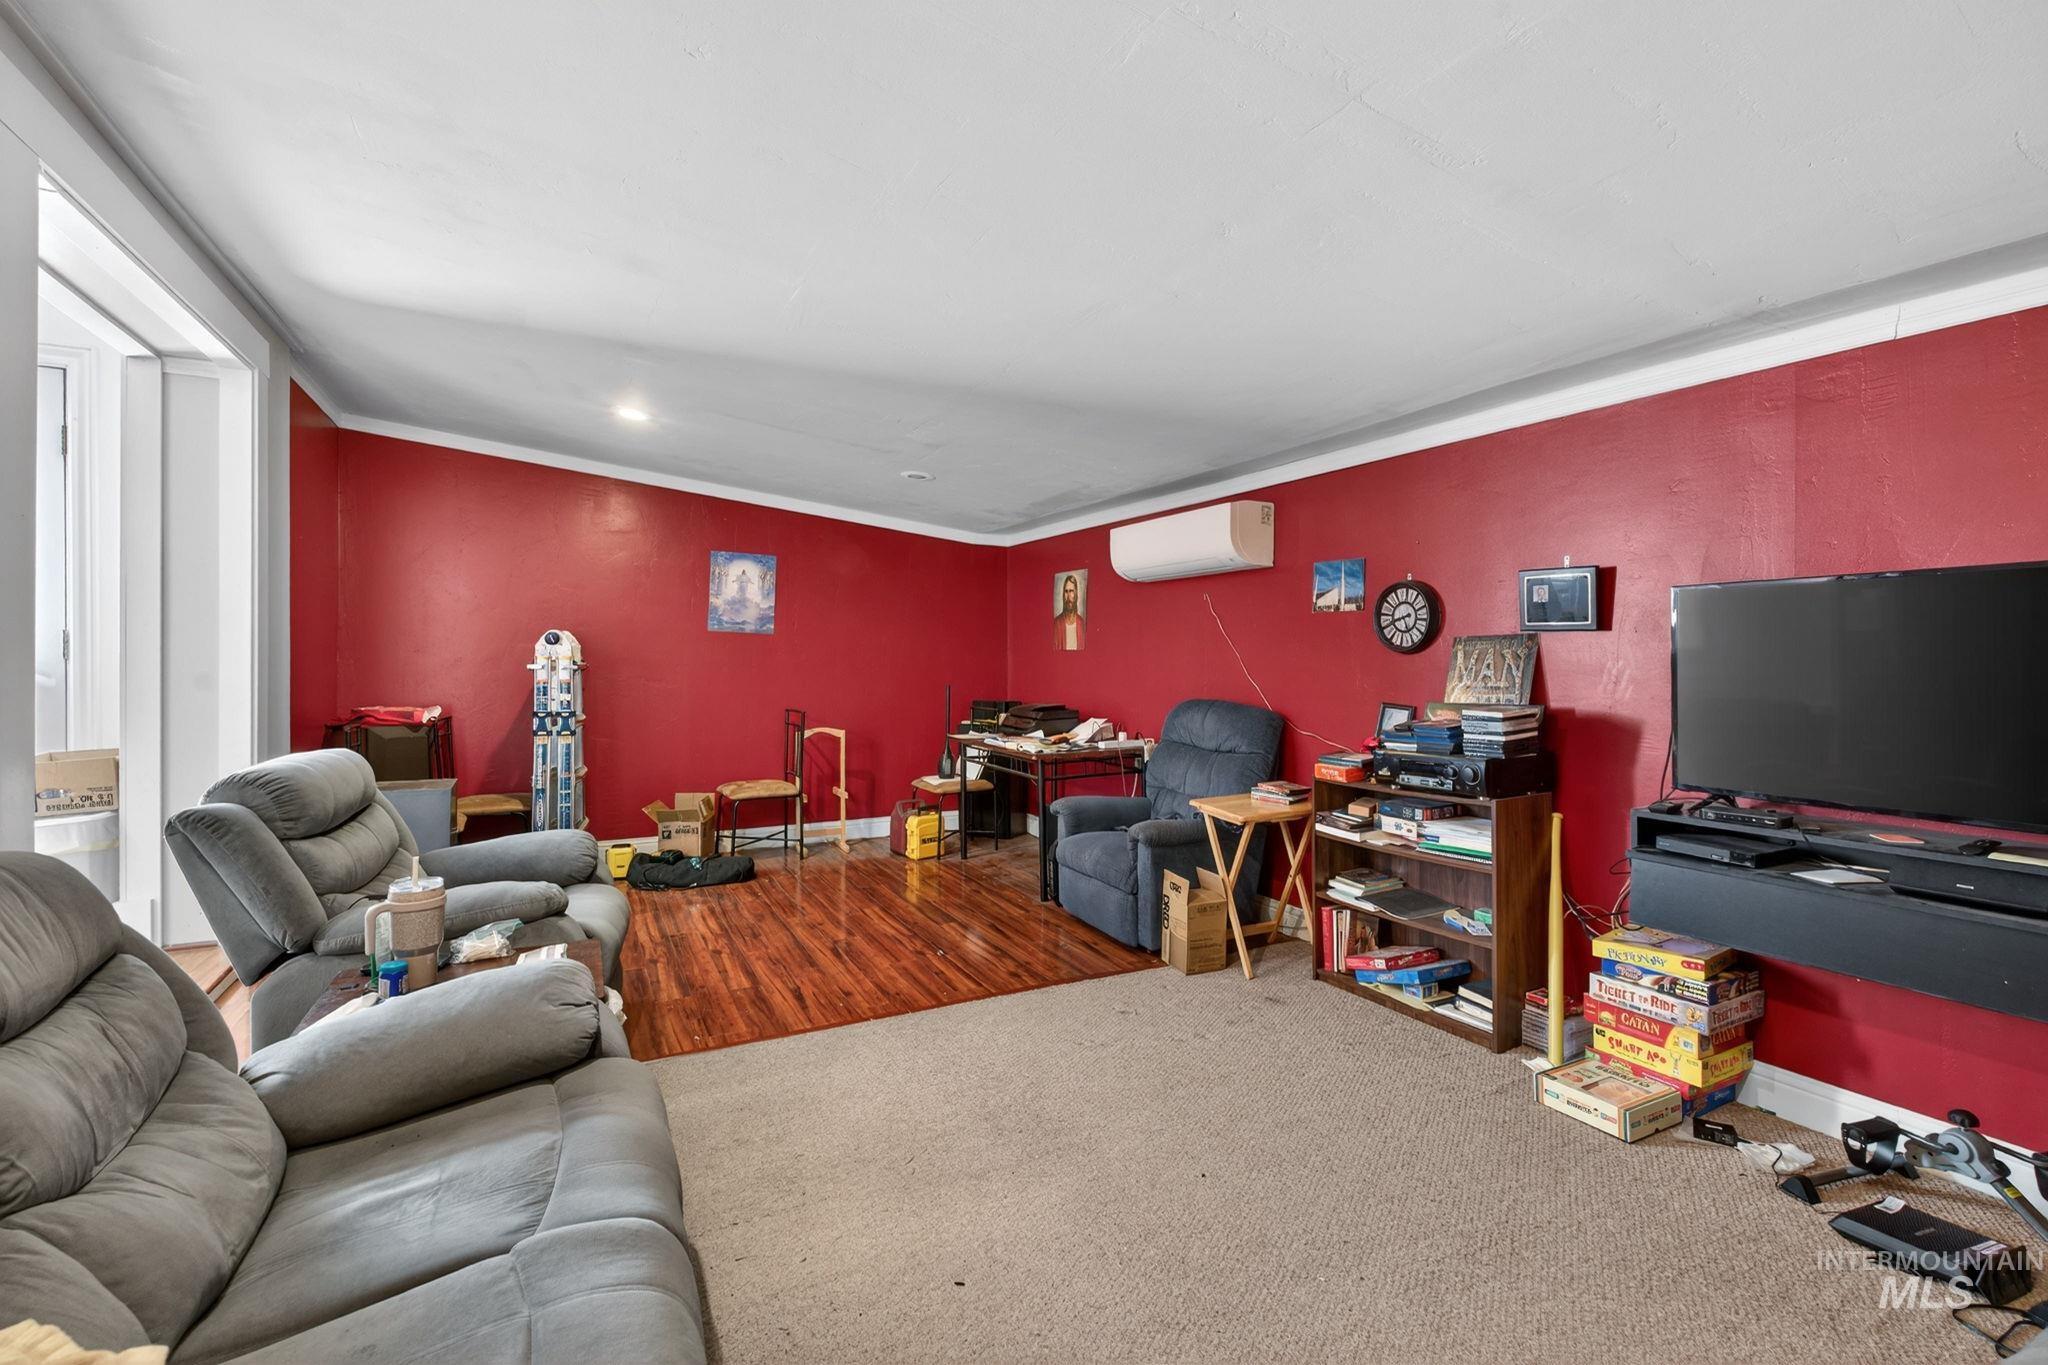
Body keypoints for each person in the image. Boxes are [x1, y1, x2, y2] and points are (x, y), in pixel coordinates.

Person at [1054, 573, 1085, 651]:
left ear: (1076, 594)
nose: (1068, 596)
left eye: (1071, 591)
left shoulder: (1082, 624)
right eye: (1066, 591)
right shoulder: (1056, 623)